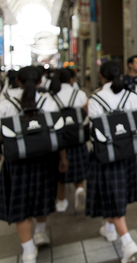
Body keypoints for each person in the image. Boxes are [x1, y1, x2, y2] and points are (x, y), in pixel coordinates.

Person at [0, 66, 68, 263]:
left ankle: (28, 250)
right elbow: (58, 134)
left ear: (17, 81)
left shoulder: (5, 104)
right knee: (42, 196)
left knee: (20, 202)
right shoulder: (47, 101)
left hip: (17, 162)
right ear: (41, 81)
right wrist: (63, 158)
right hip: (45, 158)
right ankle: (40, 232)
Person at [86, 60, 137, 263]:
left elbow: (93, 130)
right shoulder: (130, 96)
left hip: (105, 156)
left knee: (111, 192)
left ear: (101, 76)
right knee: (116, 193)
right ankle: (109, 229)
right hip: (128, 154)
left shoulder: (95, 99)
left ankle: (127, 241)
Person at [49, 68, 89, 213]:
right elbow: (87, 113)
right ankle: (79, 189)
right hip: (77, 137)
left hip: (59, 140)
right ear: (71, 79)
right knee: (79, 168)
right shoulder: (79, 94)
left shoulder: (51, 96)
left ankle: (61, 201)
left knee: (60, 172)